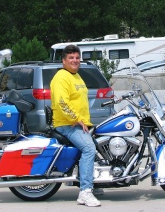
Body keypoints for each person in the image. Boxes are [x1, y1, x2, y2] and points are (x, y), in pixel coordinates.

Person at [50, 44, 102, 207]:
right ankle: (85, 192)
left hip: (80, 124)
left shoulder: (76, 76)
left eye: (77, 57)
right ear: (63, 60)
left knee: (98, 147)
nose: (75, 60)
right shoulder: (61, 77)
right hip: (68, 124)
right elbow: (61, 102)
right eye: (71, 58)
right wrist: (76, 119)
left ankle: (95, 183)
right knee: (88, 149)